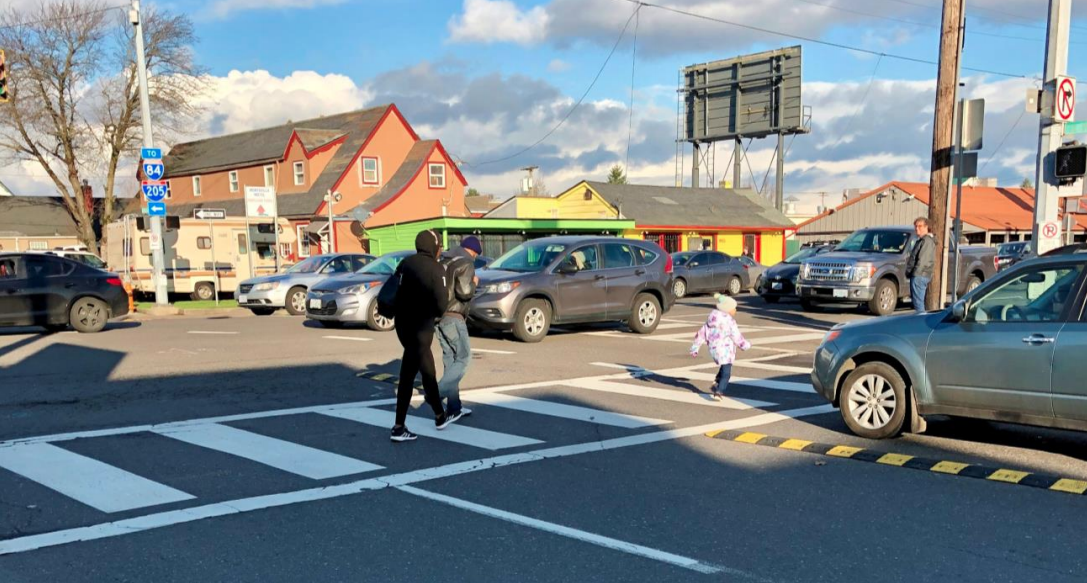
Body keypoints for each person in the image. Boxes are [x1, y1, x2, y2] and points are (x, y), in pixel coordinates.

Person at [390, 230, 459, 442]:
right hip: (421, 326)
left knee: (427, 368)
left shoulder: (405, 263)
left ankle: (439, 415)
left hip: (402, 323)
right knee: (409, 373)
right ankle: (399, 427)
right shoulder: (436, 268)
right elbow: (441, 303)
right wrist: (435, 314)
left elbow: (395, 288)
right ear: (434, 246)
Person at [437, 236, 481, 419]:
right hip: (454, 316)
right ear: (473, 251)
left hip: (438, 317)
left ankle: (454, 406)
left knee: (450, 361)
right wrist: (474, 284)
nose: (476, 258)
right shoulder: (466, 263)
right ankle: (436, 394)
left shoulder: (443, 260)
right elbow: (464, 292)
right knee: (463, 358)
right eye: (476, 255)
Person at [690, 293, 751, 400]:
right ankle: (719, 391)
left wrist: (695, 348)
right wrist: (745, 345)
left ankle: (717, 380)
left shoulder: (711, 320)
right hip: (725, 350)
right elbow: (736, 335)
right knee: (727, 372)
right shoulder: (729, 321)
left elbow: (701, 334)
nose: (735, 310)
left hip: (714, 350)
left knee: (724, 365)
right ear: (727, 309)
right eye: (734, 308)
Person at [907, 217, 936, 314]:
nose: (917, 228)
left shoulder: (926, 241)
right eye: (915, 226)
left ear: (926, 227)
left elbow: (922, 261)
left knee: (918, 303)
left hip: (920, 275)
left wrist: (915, 274)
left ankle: (921, 322)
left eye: (919, 226)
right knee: (917, 302)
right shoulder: (921, 240)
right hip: (919, 275)